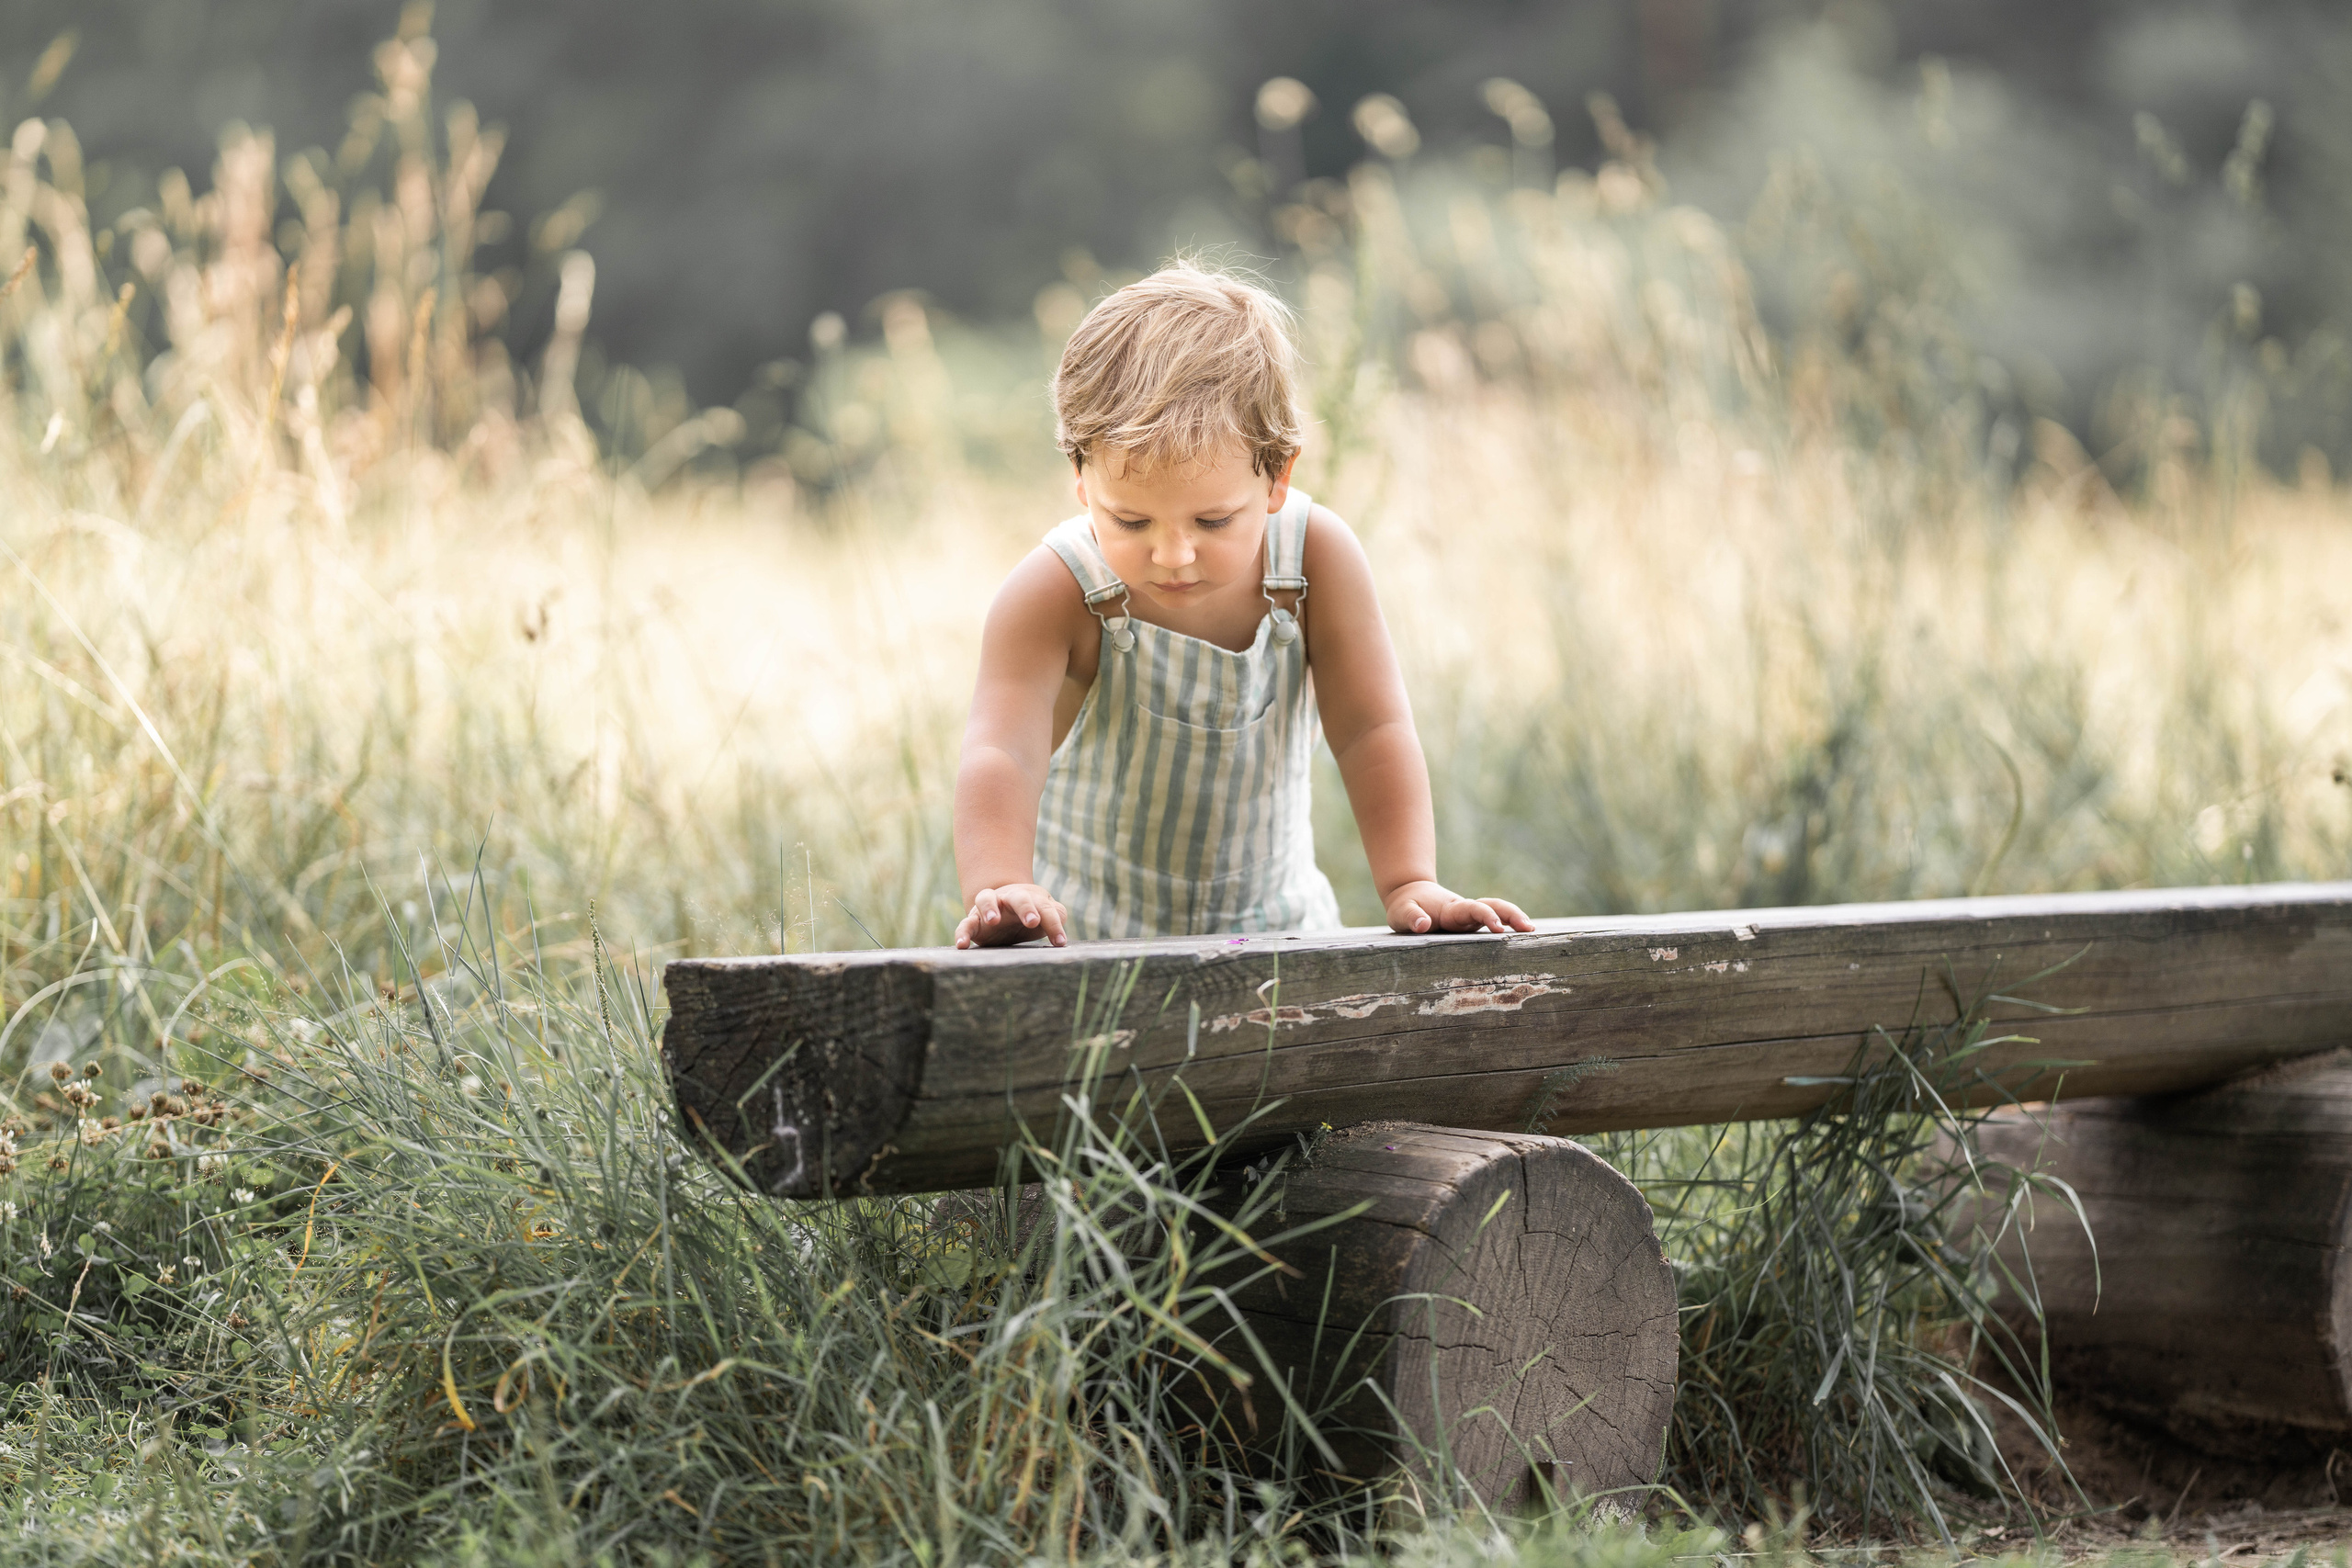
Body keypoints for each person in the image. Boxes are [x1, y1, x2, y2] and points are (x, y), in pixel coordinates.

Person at [953, 261, 1532, 948]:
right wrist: (999, 889)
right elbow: (1001, 752)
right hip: (1085, 945)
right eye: (1132, 522)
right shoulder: (1057, 591)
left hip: (1279, 937)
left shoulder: (1313, 562)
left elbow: (1371, 728)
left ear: (1277, 475)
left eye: (1214, 521)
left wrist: (1411, 882)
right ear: (1080, 478)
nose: (1173, 554)